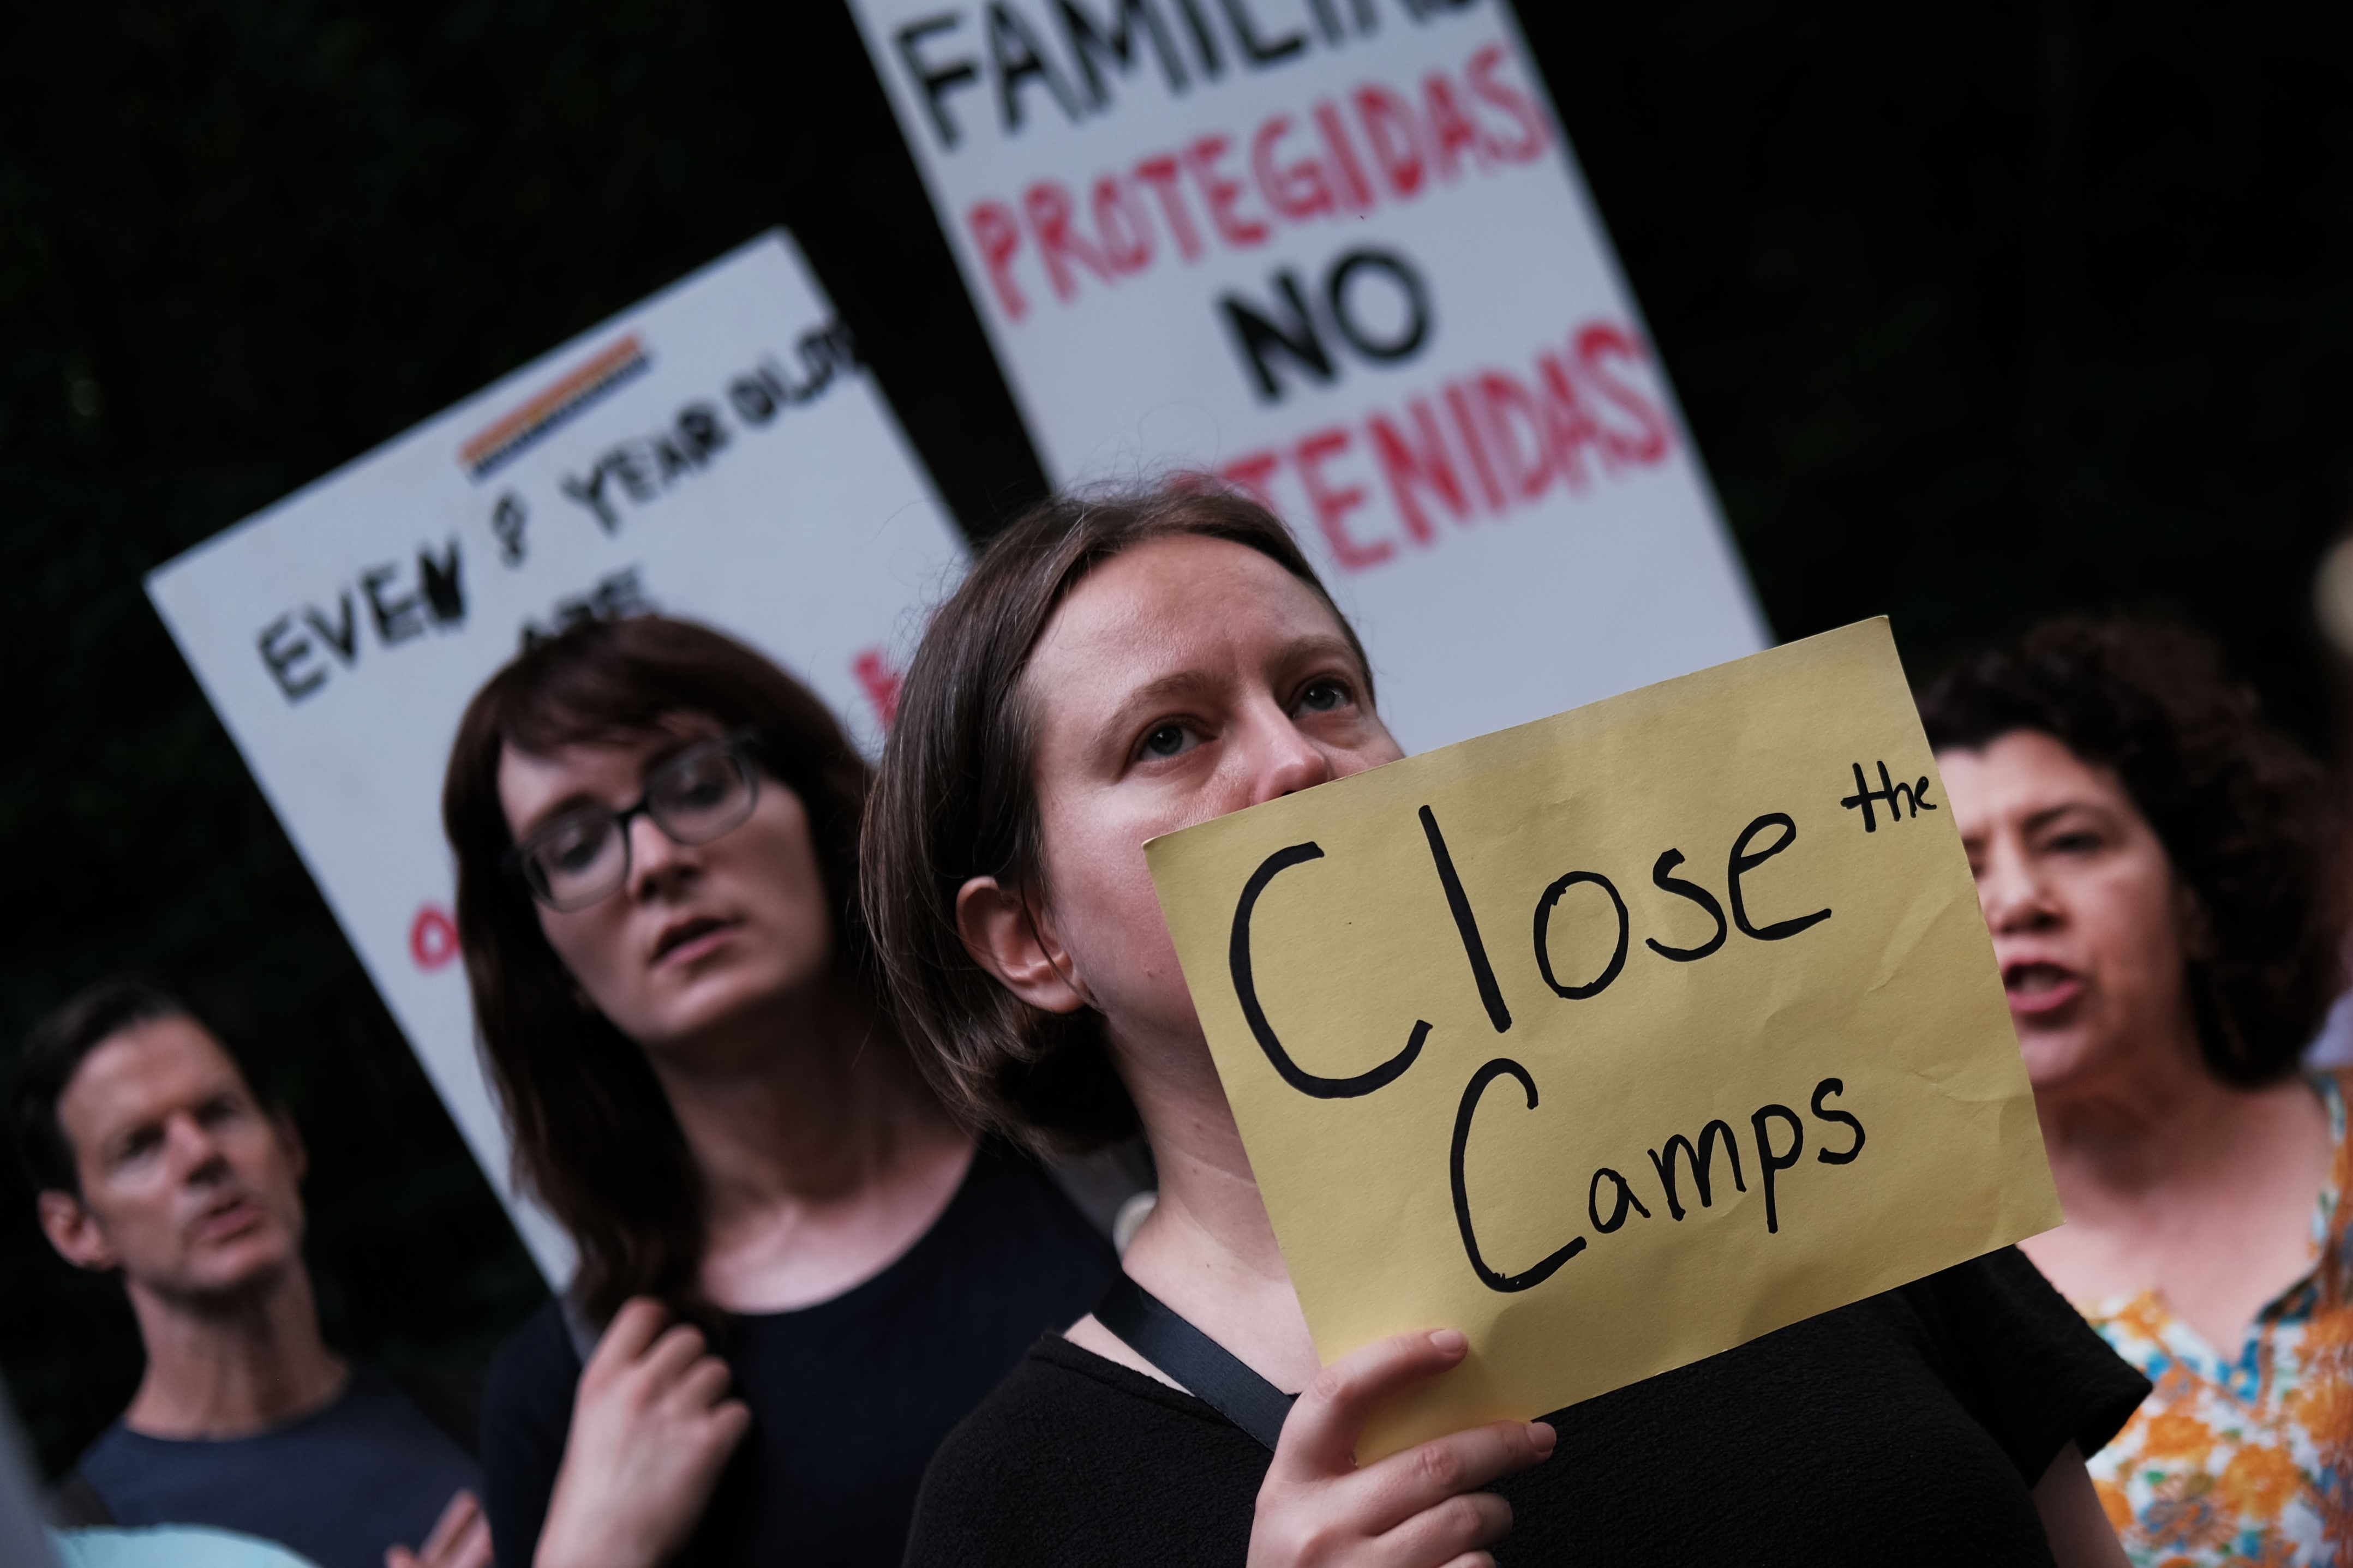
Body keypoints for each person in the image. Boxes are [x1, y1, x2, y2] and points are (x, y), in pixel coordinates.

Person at [861, 484, 2149, 1568]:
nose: (1300, 760)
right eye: (1170, 735)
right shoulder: (1014, 1505)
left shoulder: (1793, 1140)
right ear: (1028, 937)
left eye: (1321, 692)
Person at [441, 614, 1122, 1568]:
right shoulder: (566, 1399)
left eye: (697, 785)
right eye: (575, 847)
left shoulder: (1113, 1130)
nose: (654, 863)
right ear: (543, 958)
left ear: (818, 809)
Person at [1924, 617, 2351, 1564]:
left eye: (2069, 841)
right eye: (1956, 869)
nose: (2014, 900)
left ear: (2196, 897)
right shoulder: (1944, 1312)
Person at [7, 978, 490, 1568]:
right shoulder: (74, 1546)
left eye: (220, 1113)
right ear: (76, 1230)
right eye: (139, 1146)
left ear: (287, 1142)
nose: (201, 1153)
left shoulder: (484, 1420)